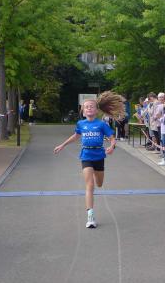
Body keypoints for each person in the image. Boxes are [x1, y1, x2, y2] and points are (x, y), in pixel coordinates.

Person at [54, 93, 125, 228]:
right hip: (86, 155)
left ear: (97, 110)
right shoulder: (81, 124)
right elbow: (76, 136)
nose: (89, 108)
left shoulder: (101, 124)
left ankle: (96, 177)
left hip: (99, 156)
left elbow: (112, 138)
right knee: (90, 185)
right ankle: (90, 216)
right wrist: (62, 145)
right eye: (86, 107)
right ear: (83, 111)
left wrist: (111, 146)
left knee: (99, 183)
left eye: (91, 106)